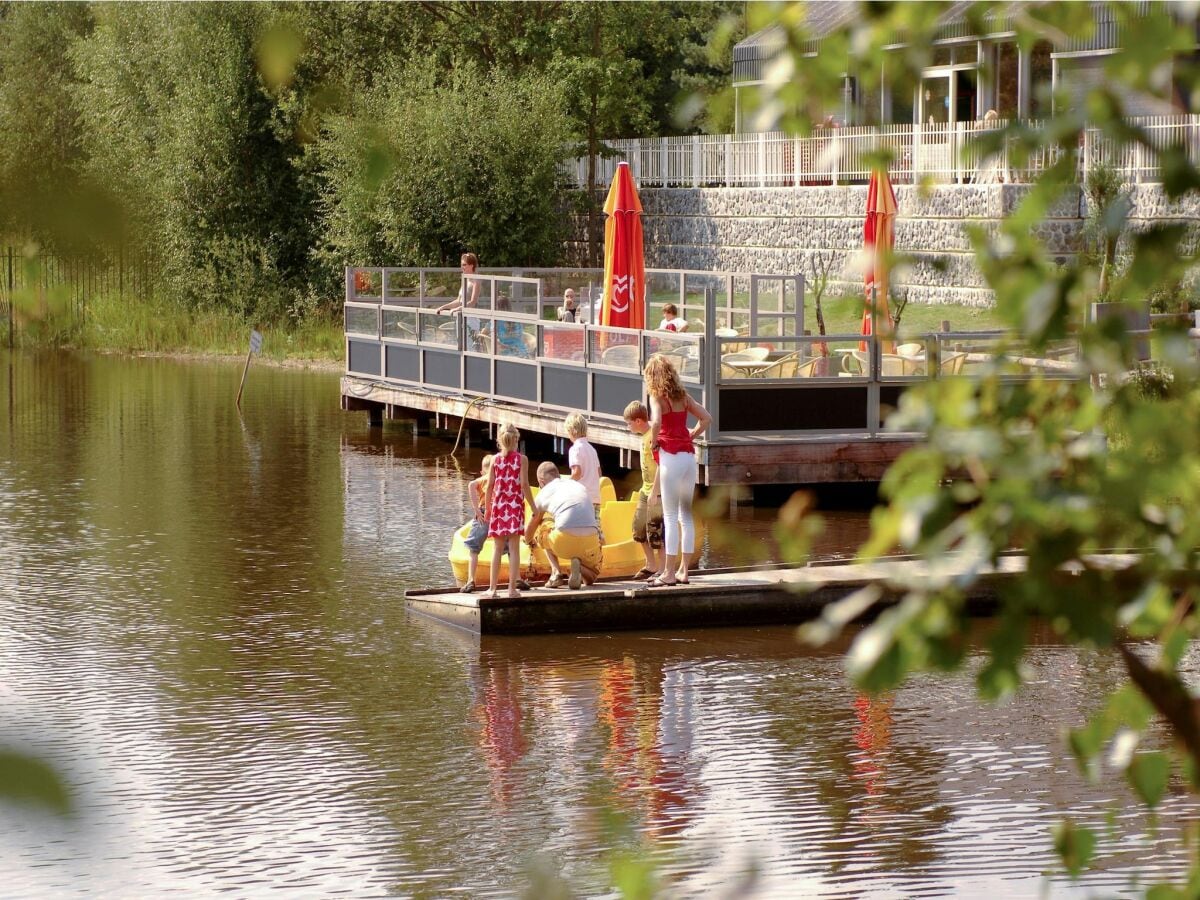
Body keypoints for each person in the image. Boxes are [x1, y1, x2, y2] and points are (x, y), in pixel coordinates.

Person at [643, 354, 711, 587]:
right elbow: (707, 418)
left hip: (670, 458)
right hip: (688, 458)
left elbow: (657, 422)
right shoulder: (683, 396)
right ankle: (684, 571)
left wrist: (654, 441)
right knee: (686, 516)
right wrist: (691, 434)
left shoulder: (656, 397)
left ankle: (669, 573)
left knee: (670, 517)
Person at [525, 462, 602, 590]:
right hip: (591, 537)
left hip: (564, 539)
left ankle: (556, 573)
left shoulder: (544, 492)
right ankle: (579, 567)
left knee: (542, 524)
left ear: (541, 481)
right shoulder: (577, 485)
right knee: (592, 577)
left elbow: (531, 526)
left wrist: (528, 540)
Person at [461, 454, 530, 593]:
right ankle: (516, 577)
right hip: (499, 513)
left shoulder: (483, 478)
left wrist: (476, 509)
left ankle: (470, 580)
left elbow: (471, 484)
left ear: (482, 471)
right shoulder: (499, 476)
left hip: (484, 513)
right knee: (511, 547)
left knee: (474, 548)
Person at [484, 424, 535, 599]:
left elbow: (490, 485)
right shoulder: (522, 460)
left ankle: (492, 589)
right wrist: (533, 507)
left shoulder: (494, 460)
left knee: (497, 549)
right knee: (514, 549)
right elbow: (525, 485)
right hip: (514, 506)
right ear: (516, 440)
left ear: (499, 440)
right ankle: (511, 589)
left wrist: (488, 508)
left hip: (498, 506)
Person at [623, 400, 663, 580]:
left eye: (629, 423)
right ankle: (651, 564)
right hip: (645, 490)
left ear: (638, 421)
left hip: (656, 491)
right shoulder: (642, 437)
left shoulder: (652, 437)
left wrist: (655, 491)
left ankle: (662, 569)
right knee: (638, 529)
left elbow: (661, 465)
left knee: (656, 532)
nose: (628, 426)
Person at [564, 412, 602, 517]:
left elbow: (577, 472)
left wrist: (566, 484)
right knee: (595, 527)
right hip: (595, 497)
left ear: (571, 431)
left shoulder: (575, 449)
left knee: (581, 527)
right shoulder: (592, 449)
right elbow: (599, 473)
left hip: (582, 498)